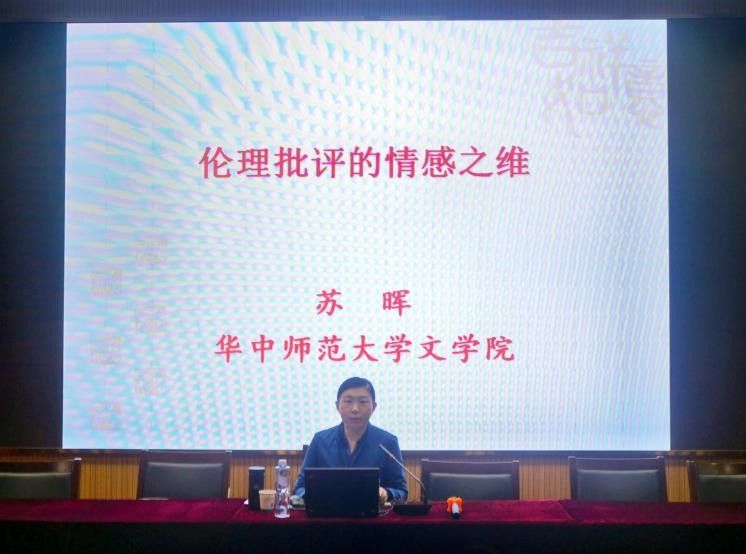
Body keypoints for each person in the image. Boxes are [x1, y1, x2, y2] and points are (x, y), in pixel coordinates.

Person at [293, 377, 408, 504]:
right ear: (337, 406)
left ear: (374, 407)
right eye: (348, 401)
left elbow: (401, 491)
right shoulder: (320, 441)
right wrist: (313, 496)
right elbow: (300, 487)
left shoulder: (388, 442)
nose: (355, 409)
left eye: (363, 402)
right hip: (327, 513)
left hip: (372, 514)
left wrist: (386, 493)